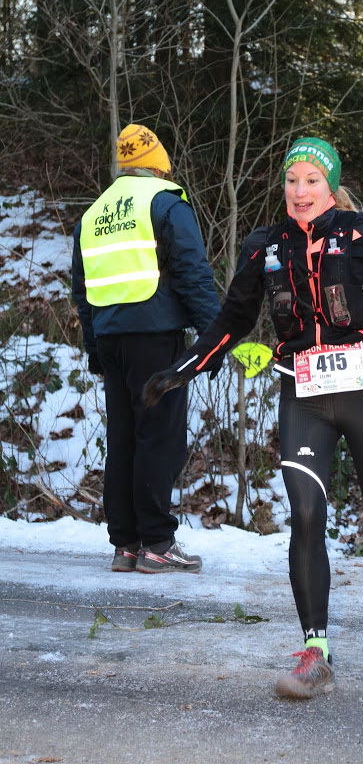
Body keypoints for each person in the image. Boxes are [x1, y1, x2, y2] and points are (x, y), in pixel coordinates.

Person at [142, 136, 363, 695]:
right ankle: (316, 651)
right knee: (307, 518)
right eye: (292, 181)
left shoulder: (361, 228)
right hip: (302, 392)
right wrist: (188, 367)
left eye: (312, 180)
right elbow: (232, 319)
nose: (300, 191)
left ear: (330, 185)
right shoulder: (265, 245)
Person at [72, 123, 220, 574]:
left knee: (123, 440)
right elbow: (192, 270)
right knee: (159, 435)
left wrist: (94, 344)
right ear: (159, 164)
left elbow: (82, 288)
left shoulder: (93, 214)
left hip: (111, 339)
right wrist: (215, 337)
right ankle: (158, 542)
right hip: (155, 337)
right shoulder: (164, 203)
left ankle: (127, 546)